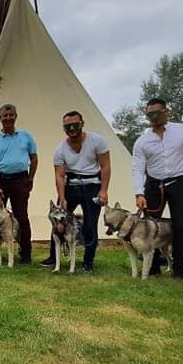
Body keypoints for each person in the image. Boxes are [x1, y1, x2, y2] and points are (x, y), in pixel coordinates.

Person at [131, 98, 183, 279]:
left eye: (158, 113)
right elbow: (137, 168)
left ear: (167, 112)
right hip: (153, 184)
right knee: (151, 226)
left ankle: (179, 268)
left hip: (179, 182)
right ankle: (153, 267)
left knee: (180, 226)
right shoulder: (142, 141)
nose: (154, 117)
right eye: (150, 114)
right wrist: (138, 192)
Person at [42, 110, 110, 273]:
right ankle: (54, 257)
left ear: (82, 124)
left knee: (90, 224)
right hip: (70, 185)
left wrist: (103, 190)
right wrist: (62, 196)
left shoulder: (97, 140)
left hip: (92, 185)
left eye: (75, 125)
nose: (72, 128)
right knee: (57, 221)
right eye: (68, 126)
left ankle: (88, 261)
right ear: (64, 128)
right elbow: (59, 174)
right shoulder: (60, 149)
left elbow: (105, 166)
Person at [0, 103, 38, 264]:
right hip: (1, 179)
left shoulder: (26, 137)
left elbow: (34, 158)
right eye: (5, 116)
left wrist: (30, 178)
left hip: (20, 179)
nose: (8, 118)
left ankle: (26, 253)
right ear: (0, 118)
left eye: (11, 115)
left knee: (21, 217)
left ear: (16, 116)